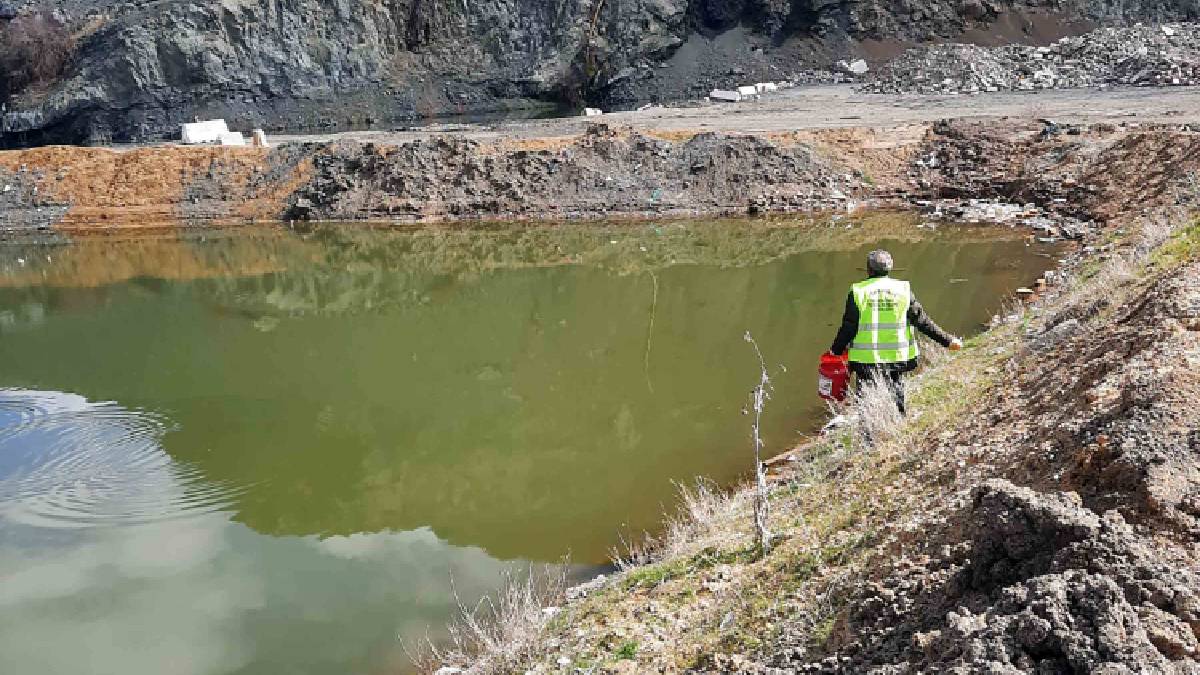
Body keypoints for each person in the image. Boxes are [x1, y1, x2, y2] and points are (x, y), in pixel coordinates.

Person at [829, 249, 962, 415]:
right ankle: (899, 421)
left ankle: (868, 435)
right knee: (897, 388)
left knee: (865, 397)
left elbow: (849, 327)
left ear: (869, 270)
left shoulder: (858, 292)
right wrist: (948, 341)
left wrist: (835, 351)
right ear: (889, 268)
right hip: (897, 356)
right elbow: (922, 321)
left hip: (866, 359)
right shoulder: (902, 290)